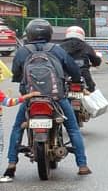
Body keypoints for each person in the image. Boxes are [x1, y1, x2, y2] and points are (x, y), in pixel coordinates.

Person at [3, 19, 90, 181]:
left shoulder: (22, 51)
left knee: (17, 128)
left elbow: (16, 73)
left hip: (31, 98)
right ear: (49, 34)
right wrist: (76, 80)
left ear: (29, 34)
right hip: (56, 97)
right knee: (72, 128)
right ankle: (82, 165)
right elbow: (73, 70)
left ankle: (11, 164)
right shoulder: (57, 50)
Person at [57, 25, 101, 92]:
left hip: (65, 76)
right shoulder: (86, 46)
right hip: (84, 76)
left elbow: (55, 60)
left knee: (60, 94)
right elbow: (96, 61)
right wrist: (96, 61)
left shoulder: (60, 47)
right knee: (91, 90)